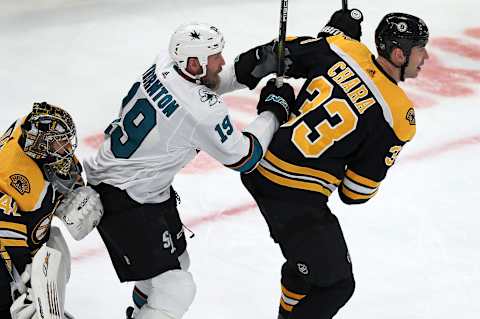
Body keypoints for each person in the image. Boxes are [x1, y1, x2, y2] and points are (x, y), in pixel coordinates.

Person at [83, 22, 294, 319]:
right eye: (216, 56)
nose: (222, 62)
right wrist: (274, 111)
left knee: (176, 265)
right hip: (125, 197)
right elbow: (245, 157)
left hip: (138, 186)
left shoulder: (165, 62)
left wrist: (254, 62)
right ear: (194, 63)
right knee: (177, 287)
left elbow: (201, 86)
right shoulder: (200, 111)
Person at [239, 9, 430, 319]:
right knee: (337, 285)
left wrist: (334, 34)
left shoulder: (345, 49)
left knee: (304, 267)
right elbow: (355, 193)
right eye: (421, 49)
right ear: (399, 53)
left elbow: (283, 53)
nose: (426, 57)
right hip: (294, 195)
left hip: (261, 164)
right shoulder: (398, 116)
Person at [0, 102, 103, 319]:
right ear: (40, 146)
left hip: (18, 233)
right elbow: (10, 243)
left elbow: (70, 180)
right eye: (61, 143)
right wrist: (23, 283)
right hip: (7, 240)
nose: (68, 148)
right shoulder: (22, 180)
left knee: (53, 246)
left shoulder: (29, 135)